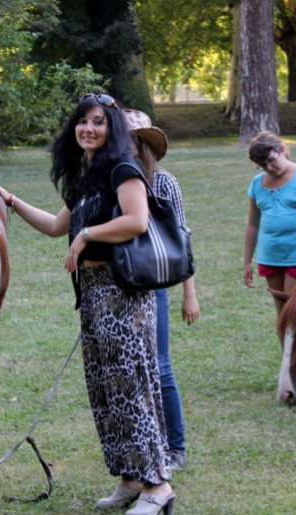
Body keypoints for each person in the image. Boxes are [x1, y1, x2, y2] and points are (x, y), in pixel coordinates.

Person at [0, 94, 175, 515]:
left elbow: (136, 220)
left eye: (99, 122)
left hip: (123, 294)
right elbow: (55, 226)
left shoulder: (125, 169)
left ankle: (157, 484)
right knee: (105, 391)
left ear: (114, 130)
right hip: (92, 296)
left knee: (132, 388)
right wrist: (10, 200)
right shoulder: (88, 177)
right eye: (83, 121)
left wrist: (86, 235)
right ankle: (130, 478)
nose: (89, 128)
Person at [123, 109, 200, 470]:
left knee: (160, 365)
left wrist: (190, 293)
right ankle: (143, 445)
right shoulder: (114, 179)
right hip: (120, 286)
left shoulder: (164, 183)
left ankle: (175, 446)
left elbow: (180, 239)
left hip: (153, 285)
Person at [243, 131, 296, 316]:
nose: (270, 168)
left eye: (272, 160)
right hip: (270, 256)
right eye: (263, 166)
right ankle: (286, 346)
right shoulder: (257, 184)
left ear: (282, 150)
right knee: (282, 313)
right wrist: (247, 261)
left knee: (295, 310)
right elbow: (252, 224)